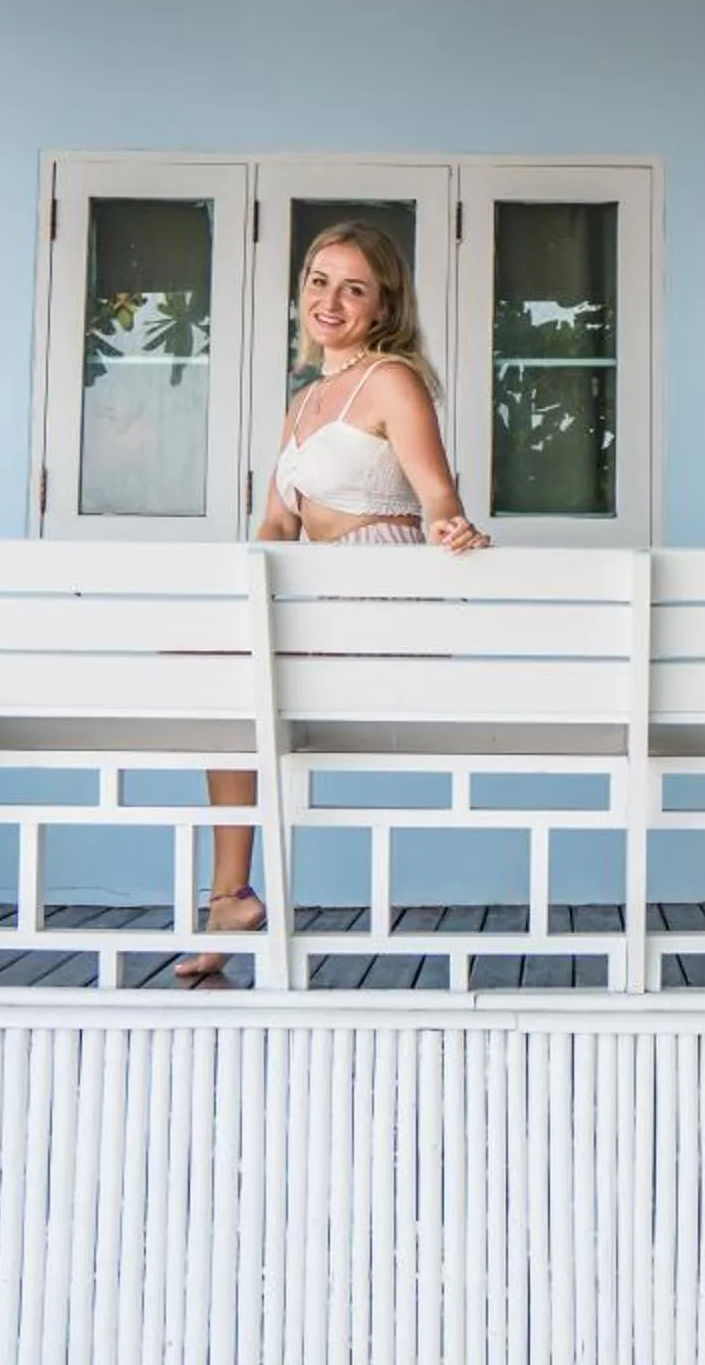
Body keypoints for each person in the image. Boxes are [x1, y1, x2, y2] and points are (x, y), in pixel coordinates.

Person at [179, 221, 488, 983]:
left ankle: (227, 900)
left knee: (224, 684)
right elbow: (276, 526)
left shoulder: (391, 380)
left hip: (372, 589)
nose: (331, 299)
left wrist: (453, 527)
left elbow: (436, 492)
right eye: (319, 281)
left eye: (354, 287)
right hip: (311, 591)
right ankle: (230, 897)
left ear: (382, 305)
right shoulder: (305, 402)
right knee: (212, 684)